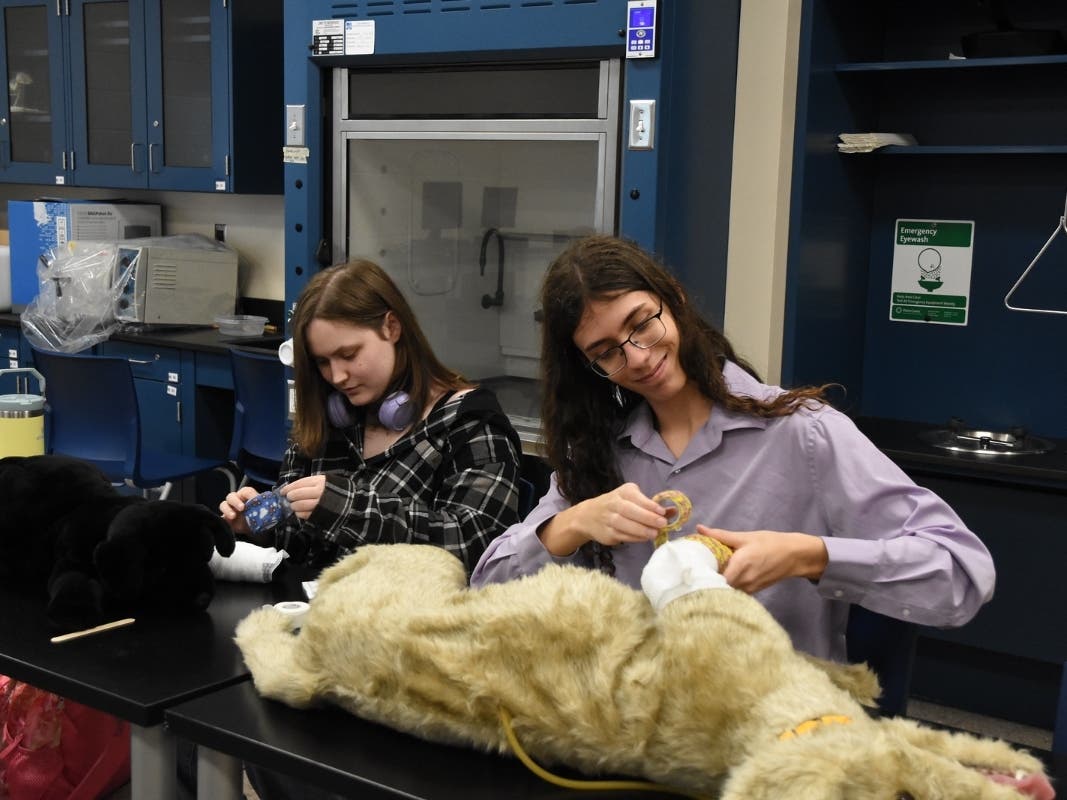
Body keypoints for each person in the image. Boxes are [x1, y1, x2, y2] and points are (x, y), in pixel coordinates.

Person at [470, 235, 995, 661]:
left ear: (672, 299)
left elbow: (960, 575)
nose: (638, 357)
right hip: (640, 725)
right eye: (607, 352)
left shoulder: (804, 432)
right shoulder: (598, 456)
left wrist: (808, 556)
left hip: (775, 722)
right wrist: (573, 524)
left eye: (642, 324)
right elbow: (486, 589)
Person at [219, 258, 523, 577]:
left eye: (349, 355)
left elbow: (477, 549)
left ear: (391, 327)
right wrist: (263, 527)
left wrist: (351, 509)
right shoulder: (329, 415)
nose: (337, 376)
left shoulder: (470, 425)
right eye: (323, 362)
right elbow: (297, 545)